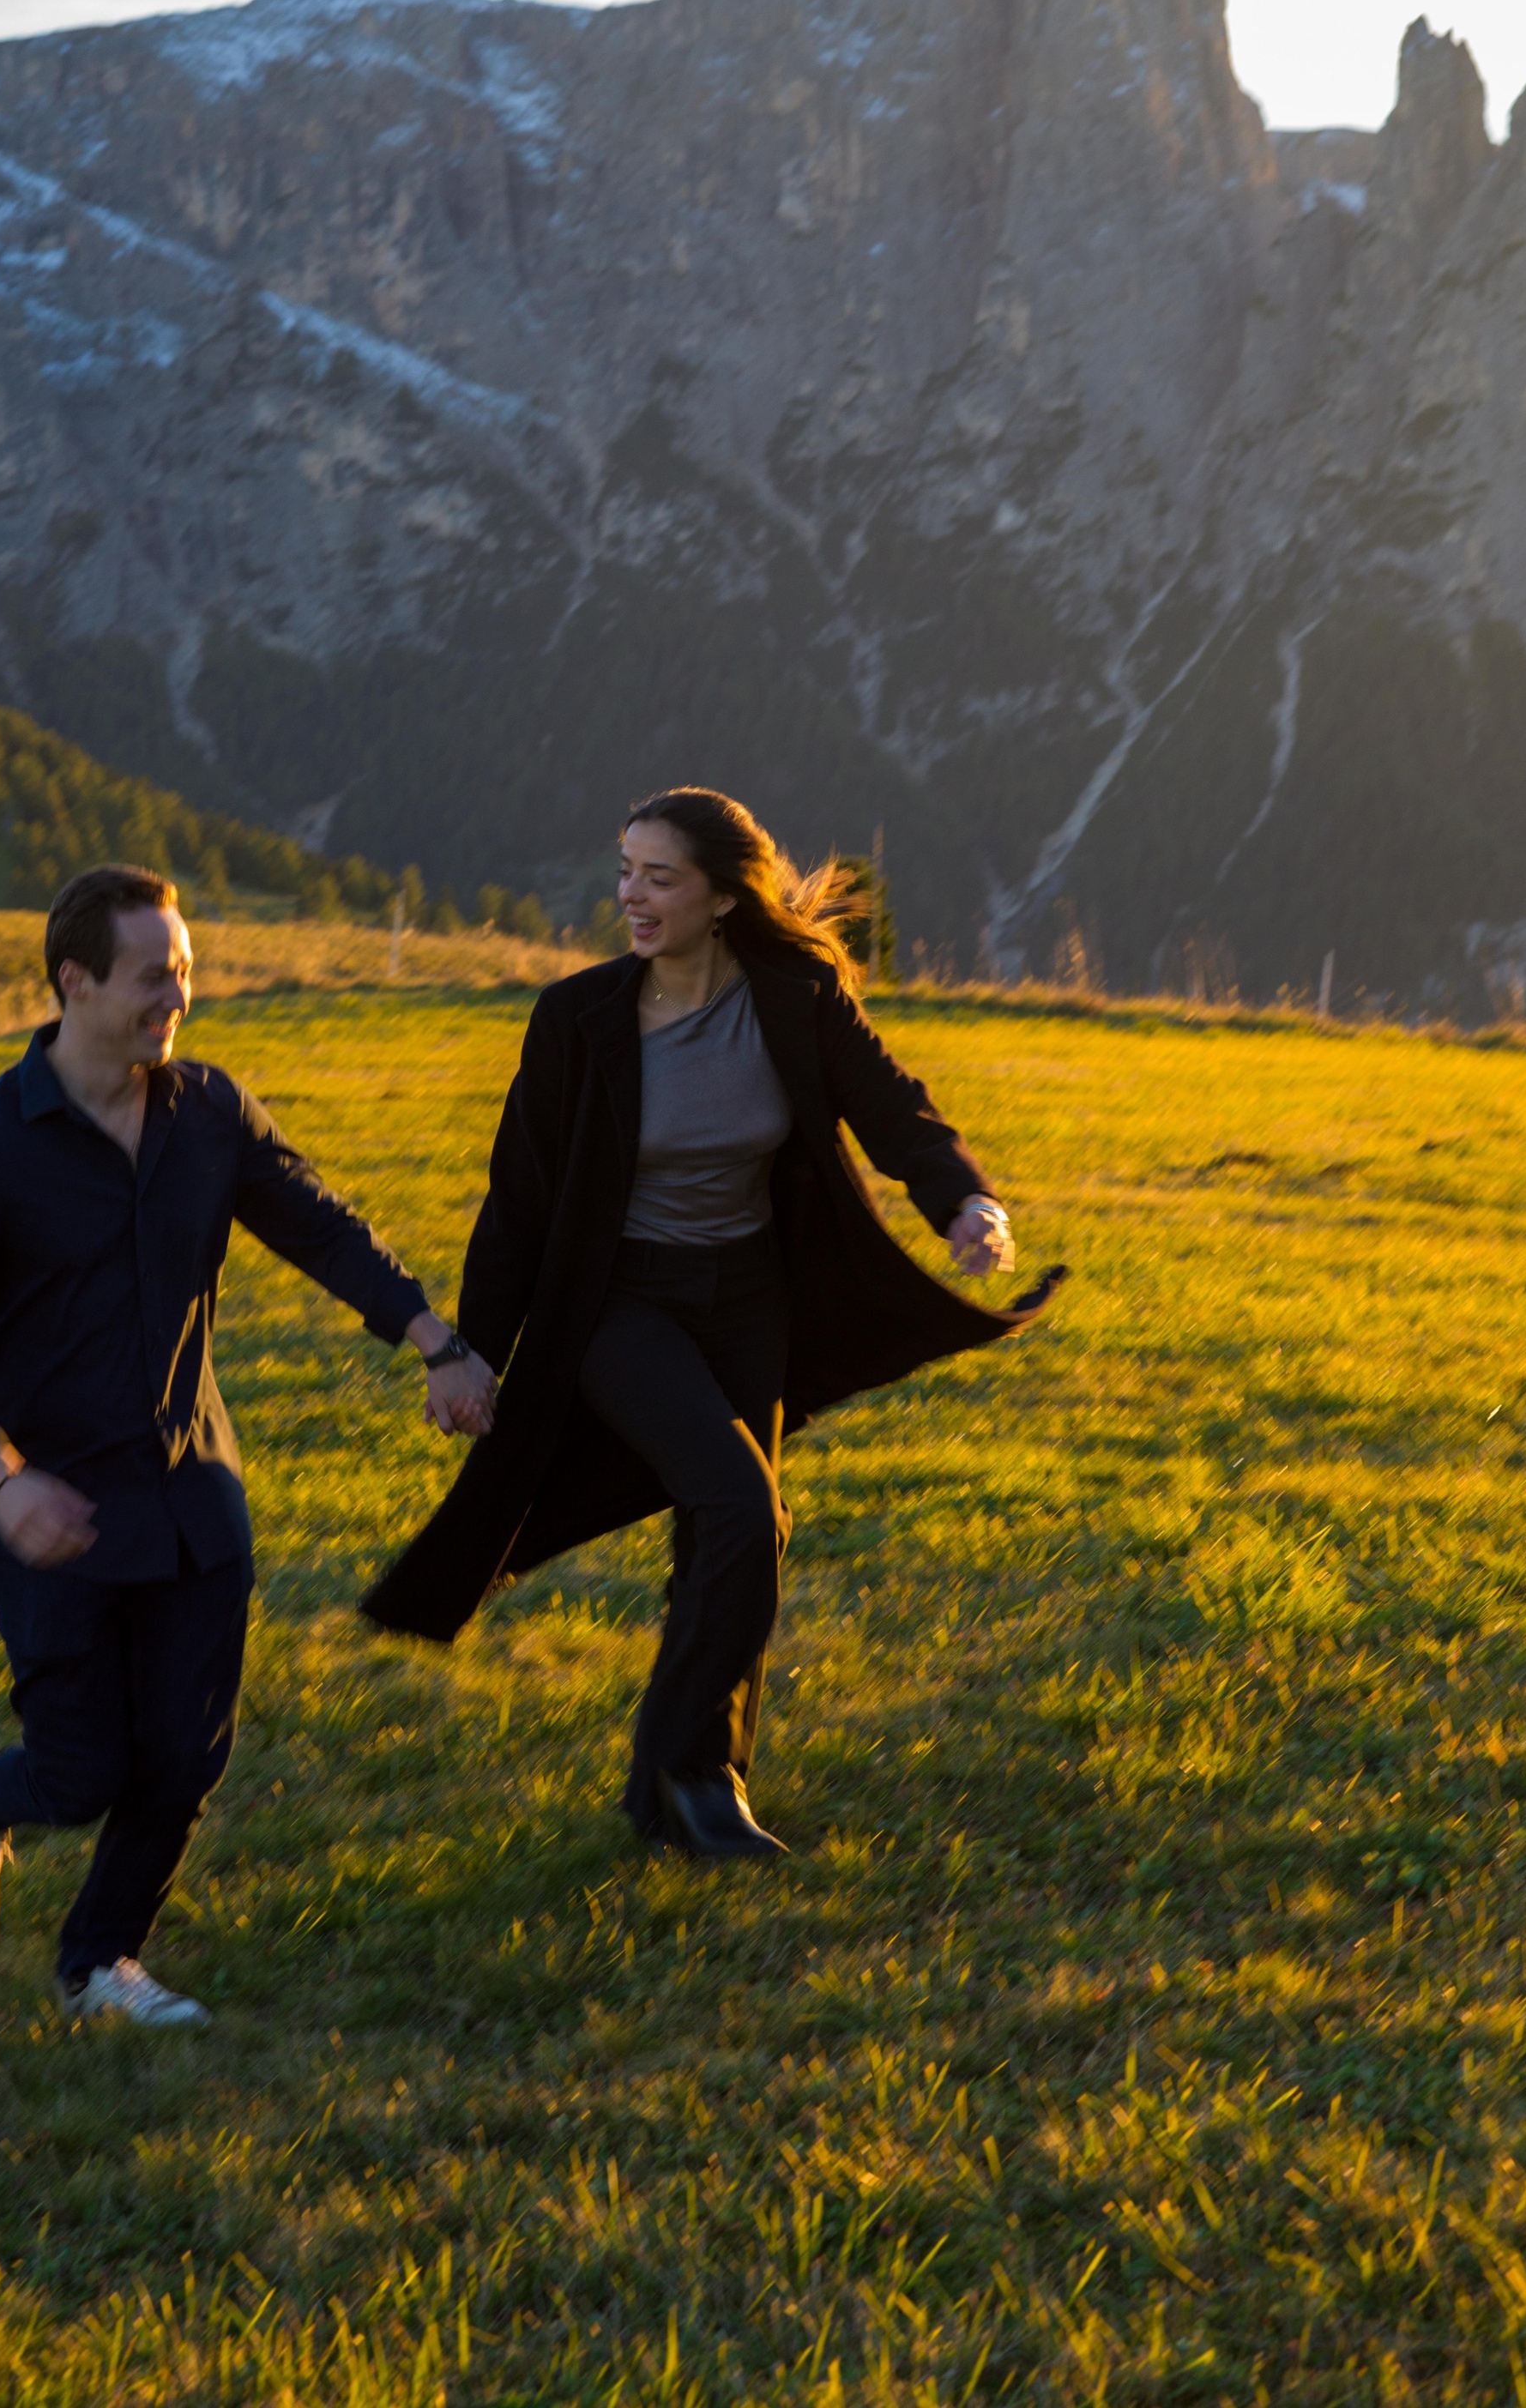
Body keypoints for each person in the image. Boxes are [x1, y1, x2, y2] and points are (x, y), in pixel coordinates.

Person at [362, 788, 1061, 1858]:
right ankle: (690, 1772)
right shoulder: (579, 1019)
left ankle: (689, 1788)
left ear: (724, 895)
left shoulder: (793, 992)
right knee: (745, 1504)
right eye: (626, 871)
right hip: (615, 1300)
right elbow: (518, 1205)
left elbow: (890, 1102)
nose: (631, 897)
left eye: (660, 876)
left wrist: (968, 1199)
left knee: (724, 1525)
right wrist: (465, 1355)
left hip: (747, 1296)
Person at [0, 863, 496, 2026]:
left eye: (187, 971)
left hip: (191, 1490)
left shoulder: (207, 1111)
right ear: (75, 981)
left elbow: (316, 1223)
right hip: (49, 1509)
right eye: (155, 976)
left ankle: (97, 1965)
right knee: (79, 1773)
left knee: (183, 1757)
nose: (179, 996)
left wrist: (436, 1342)